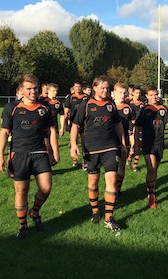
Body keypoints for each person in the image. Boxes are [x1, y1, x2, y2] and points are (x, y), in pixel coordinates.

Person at [0, 74, 59, 239]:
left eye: (35, 88)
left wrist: (55, 151)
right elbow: (3, 133)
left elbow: (51, 131)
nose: (33, 91)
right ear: (21, 90)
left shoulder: (45, 107)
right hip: (19, 154)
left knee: (46, 187)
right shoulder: (12, 108)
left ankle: (34, 212)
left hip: (40, 153)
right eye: (29, 88)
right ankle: (23, 226)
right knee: (21, 190)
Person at [70, 76, 128, 231]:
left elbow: (118, 125)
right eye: (102, 88)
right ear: (94, 88)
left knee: (111, 180)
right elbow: (75, 125)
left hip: (110, 148)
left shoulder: (110, 104)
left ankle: (108, 218)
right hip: (92, 150)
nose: (105, 90)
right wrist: (73, 144)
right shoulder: (86, 104)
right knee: (93, 183)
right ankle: (95, 210)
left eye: (107, 88)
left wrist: (122, 144)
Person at [135, 85, 168, 208]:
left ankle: (151, 187)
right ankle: (151, 194)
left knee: (155, 169)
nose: (154, 97)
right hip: (147, 143)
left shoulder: (163, 109)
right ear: (146, 96)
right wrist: (136, 142)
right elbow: (137, 126)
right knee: (151, 167)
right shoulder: (144, 109)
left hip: (160, 143)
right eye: (151, 95)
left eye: (155, 95)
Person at [111, 82, 135, 198]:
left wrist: (133, 143)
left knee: (121, 167)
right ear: (113, 93)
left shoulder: (128, 108)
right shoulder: (109, 107)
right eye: (119, 92)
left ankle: (117, 190)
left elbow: (131, 128)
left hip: (123, 141)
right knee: (112, 168)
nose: (122, 95)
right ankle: (112, 190)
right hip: (110, 142)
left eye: (124, 92)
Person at [64, 81, 87, 168]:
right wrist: (67, 121)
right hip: (74, 123)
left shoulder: (85, 97)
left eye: (79, 86)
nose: (77, 88)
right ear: (73, 87)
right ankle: (75, 160)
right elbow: (66, 110)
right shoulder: (70, 97)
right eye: (76, 86)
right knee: (74, 142)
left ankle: (85, 161)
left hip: (84, 124)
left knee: (85, 143)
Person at [127, 85, 145, 172]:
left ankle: (134, 167)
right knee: (133, 147)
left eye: (139, 93)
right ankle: (129, 160)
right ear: (133, 93)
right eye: (136, 93)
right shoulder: (129, 104)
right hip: (132, 127)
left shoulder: (142, 104)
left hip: (140, 127)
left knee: (138, 148)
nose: (138, 95)